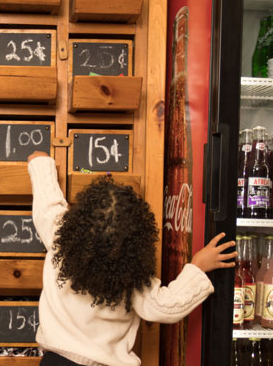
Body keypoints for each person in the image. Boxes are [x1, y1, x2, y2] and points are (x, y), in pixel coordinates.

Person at [27, 152, 237, 366]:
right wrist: (197, 267)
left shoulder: (59, 236)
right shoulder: (132, 279)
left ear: (78, 219)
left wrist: (40, 162)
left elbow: (47, 205)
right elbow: (165, 306)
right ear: (137, 240)